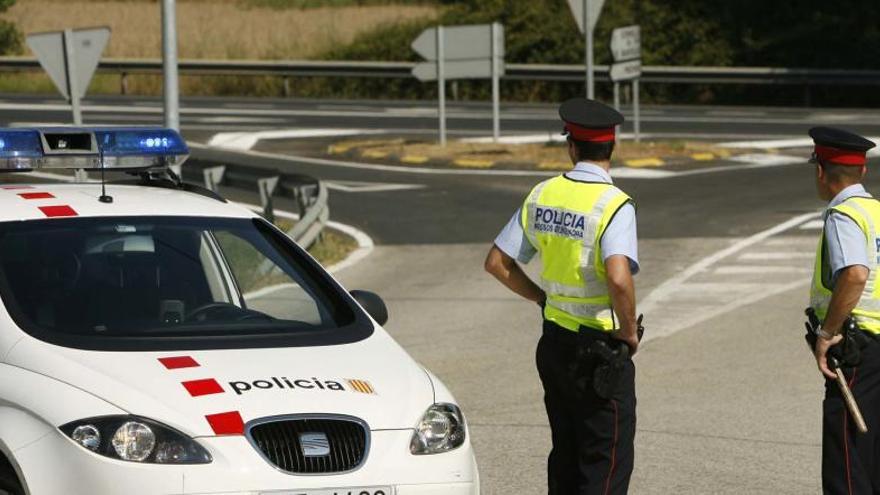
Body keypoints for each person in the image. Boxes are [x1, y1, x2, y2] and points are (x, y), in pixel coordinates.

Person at [484, 97, 641, 494]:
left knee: (566, 457)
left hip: (554, 344)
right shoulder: (614, 204)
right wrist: (629, 332)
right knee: (603, 465)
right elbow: (619, 279)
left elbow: (497, 263)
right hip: (600, 353)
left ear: (571, 146)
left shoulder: (543, 194)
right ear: (612, 147)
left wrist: (542, 299)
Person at [807, 126, 880, 494]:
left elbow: (854, 275)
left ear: (820, 171)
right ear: (863, 171)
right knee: (873, 457)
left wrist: (826, 333)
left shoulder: (844, 215)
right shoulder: (876, 212)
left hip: (858, 350)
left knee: (847, 461)